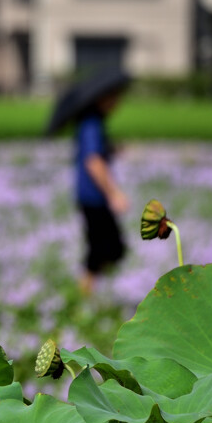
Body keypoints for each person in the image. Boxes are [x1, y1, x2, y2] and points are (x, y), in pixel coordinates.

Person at [75, 88, 129, 296]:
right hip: (93, 197)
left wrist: (112, 149)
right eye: (114, 97)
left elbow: (95, 153)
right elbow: (93, 162)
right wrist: (114, 193)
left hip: (92, 197)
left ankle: (91, 292)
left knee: (107, 249)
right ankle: (86, 294)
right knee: (105, 249)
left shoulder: (93, 122)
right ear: (101, 97)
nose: (117, 102)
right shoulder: (92, 124)